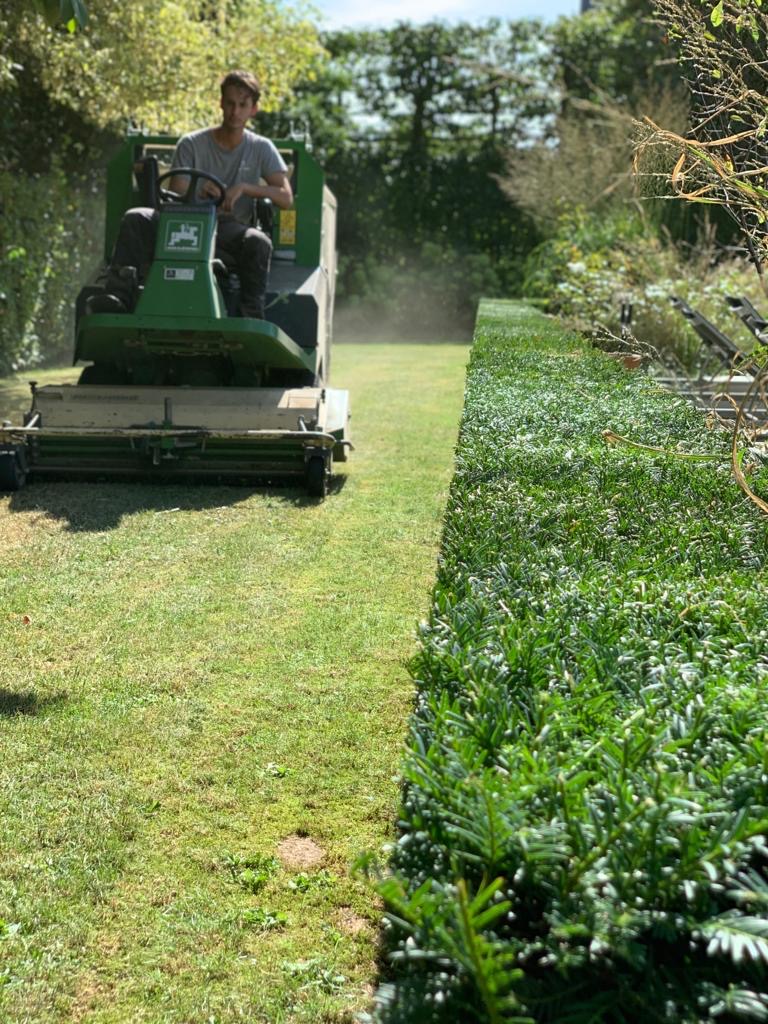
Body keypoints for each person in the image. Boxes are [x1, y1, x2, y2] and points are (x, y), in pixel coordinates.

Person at [92, 69, 293, 319]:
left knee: (258, 241)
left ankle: (251, 313)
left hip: (226, 229)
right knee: (136, 217)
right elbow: (177, 193)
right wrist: (200, 193)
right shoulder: (191, 143)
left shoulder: (261, 148)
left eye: (242, 105)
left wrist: (244, 188)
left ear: (253, 109)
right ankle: (119, 295)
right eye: (230, 103)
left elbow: (285, 198)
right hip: (181, 223)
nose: (235, 111)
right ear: (221, 103)